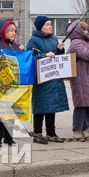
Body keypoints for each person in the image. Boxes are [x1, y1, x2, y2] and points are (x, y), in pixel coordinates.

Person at [27, 16, 66, 144]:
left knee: (52, 106)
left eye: (50, 24)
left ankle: (51, 132)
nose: (50, 26)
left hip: (53, 78)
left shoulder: (54, 39)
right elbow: (30, 57)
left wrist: (60, 50)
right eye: (47, 24)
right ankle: (37, 133)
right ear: (40, 27)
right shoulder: (34, 40)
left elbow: (58, 56)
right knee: (40, 106)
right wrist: (44, 55)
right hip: (41, 79)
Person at [0, 20, 23, 146]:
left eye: (15, 31)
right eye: (11, 31)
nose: (14, 33)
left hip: (12, 84)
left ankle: (8, 136)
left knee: (10, 112)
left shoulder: (15, 46)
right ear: (4, 32)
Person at [65, 20, 89, 136]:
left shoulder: (85, 42)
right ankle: (77, 130)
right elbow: (87, 55)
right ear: (78, 31)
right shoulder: (76, 43)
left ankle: (85, 129)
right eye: (84, 29)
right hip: (81, 77)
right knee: (81, 104)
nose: (87, 31)